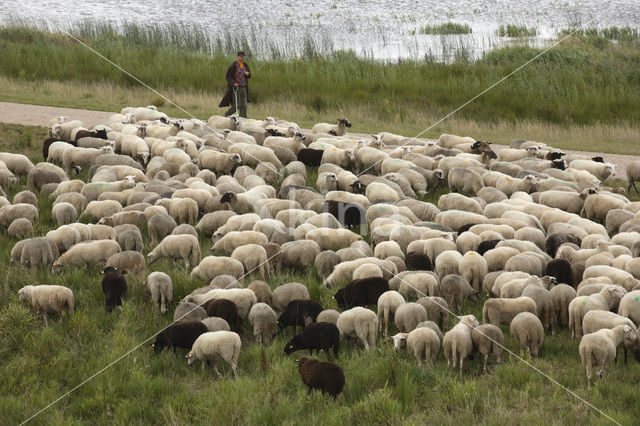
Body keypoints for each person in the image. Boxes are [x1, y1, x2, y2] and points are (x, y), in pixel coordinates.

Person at [219, 51, 251, 118]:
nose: (242, 58)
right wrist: (233, 83)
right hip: (236, 88)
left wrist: (248, 74)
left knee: (244, 106)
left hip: (244, 87)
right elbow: (227, 76)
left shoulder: (245, 65)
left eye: (243, 56)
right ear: (237, 57)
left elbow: (249, 76)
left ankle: (243, 119)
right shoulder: (233, 65)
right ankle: (227, 114)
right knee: (237, 105)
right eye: (241, 56)